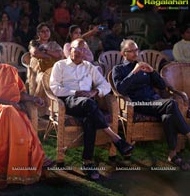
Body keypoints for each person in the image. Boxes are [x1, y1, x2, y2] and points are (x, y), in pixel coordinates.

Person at [50, 38, 134, 180]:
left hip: (88, 104)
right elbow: (54, 87)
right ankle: (115, 137)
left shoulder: (89, 67)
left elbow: (105, 86)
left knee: (90, 117)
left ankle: (87, 162)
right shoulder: (60, 65)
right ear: (70, 50)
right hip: (68, 101)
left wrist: (94, 92)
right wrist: (75, 93)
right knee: (89, 105)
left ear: (86, 52)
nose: (79, 52)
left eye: (83, 49)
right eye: (76, 48)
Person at [0, 40, 51, 189]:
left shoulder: (9, 70)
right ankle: (31, 159)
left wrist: (34, 98)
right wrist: (6, 103)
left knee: (10, 113)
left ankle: (6, 173)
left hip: (11, 109)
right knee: (9, 111)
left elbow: (19, 94)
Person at [112, 39, 190, 170]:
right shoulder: (118, 69)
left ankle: (173, 154)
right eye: (131, 51)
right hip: (138, 104)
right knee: (171, 103)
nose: (135, 53)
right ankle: (188, 135)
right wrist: (134, 72)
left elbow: (161, 86)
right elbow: (120, 89)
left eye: (136, 50)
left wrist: (152, 71)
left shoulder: (144, 66)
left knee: (168, 116)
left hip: (155, 101)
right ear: (123, 54)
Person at [28, 22, 63, 115]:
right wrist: (50, 56)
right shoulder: (34, 43)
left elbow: (59, 54)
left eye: (47, 31)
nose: (45, 33)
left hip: (52, 69)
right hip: (37, 71)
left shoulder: (53, 44)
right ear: (38, 33)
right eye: (42, 31)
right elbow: (35, 53)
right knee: (44, 77)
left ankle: (54, 109)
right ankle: (40, 110)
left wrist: (46, 51)